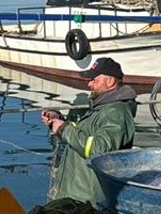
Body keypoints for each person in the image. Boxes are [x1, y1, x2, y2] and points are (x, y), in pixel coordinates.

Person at [41, 57, 138, 206]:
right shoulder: (103, 108)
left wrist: (64, 129)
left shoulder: (117, 112)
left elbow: (99, 149)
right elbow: (85, 133)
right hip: (74, 196)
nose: (89, 83)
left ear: (110, 82)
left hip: (87, 201)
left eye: (94, 79)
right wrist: (58, 121)